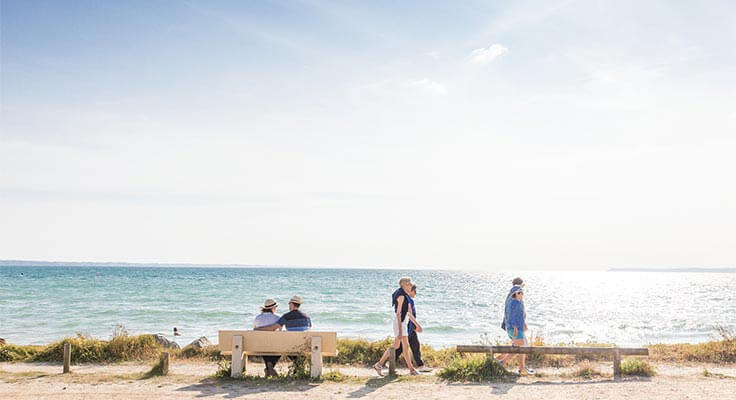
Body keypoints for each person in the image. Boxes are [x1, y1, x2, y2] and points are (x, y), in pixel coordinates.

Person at [373, 277, 421, 376]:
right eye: (410, 284)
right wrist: (399, 330)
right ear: (406, 284)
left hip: (402, 322)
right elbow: (398, 314)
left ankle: (379, 364)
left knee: (397, 345)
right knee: (405, 346)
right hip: (400, 322)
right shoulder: (401, 296)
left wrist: (417, 325)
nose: (412, 286)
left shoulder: (405, 295)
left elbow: (408, 313)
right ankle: (411, 369)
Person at [496, 287, 535, 374]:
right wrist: (515, 328)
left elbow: (520, 316)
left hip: (518, 328)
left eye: (522, 293)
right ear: (515, 294)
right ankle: (501, 362)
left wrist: (523, 324)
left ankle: (519, 367)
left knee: (519, 347)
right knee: (519, 348)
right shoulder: (513, 302)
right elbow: (511, 316)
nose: (521, 294)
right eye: (519, 293)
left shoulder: (517, 302)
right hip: (515, 329)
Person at [395, 284, 432, 372]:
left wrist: (415, 326)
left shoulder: (410, 300)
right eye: (415, 291)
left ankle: (420, 365)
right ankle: (387, 362)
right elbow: (409, 315)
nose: (416, 293)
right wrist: (417, 325)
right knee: (402, 346)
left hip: (411, 327)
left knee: (415, 345)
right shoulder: (407, 300)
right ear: (410, 290)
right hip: (407, 327)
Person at [253, 298, 282, 377]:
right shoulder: (277, 318)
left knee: (264, 344)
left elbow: (254, 329)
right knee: (279, 346)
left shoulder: (257, 318)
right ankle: (270, 366)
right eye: (275, 307)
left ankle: (268, 368)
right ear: (272, 308)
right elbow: (280, 332)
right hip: (274, 345)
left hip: (260, 346)